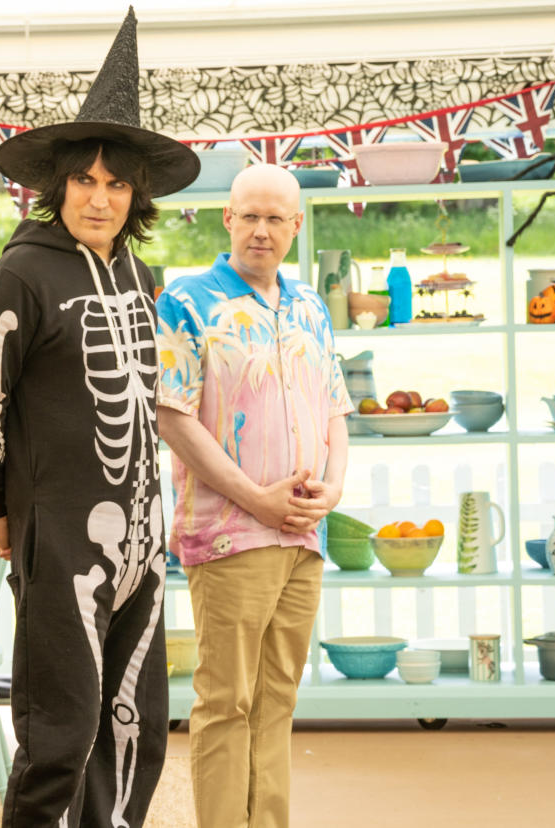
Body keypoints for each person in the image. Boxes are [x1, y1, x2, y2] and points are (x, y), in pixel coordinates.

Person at [0, 10, 200, 827]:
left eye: (116, 183)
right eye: (85, 181)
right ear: (58, 186)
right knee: (62, 729)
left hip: (141, 534)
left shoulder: (143, 276)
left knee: (136, 725)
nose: (100, 198)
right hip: (59, 535)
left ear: (138, 195)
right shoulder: (20, 276)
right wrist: (2, 507)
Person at [155, 163, 353, 828]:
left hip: (304, 534)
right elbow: (172, 416)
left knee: (277, 702)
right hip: (229, 534)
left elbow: (334, 412)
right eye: (250, 216)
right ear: (227, 220)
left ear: (297, 226)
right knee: (226, 701)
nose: (261, 231)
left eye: (276, 219)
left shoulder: (311, 306)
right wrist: (256, 500)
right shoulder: (186, 301)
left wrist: (333, 488)